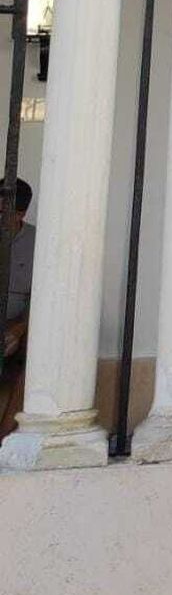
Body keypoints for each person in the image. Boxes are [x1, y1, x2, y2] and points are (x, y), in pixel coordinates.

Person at [1, 178, 34, 438]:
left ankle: (4, 435)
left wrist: (19, 329)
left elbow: (44, 297)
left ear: (20, 214)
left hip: (17, 326)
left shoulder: (38, 242)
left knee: (39, 354)